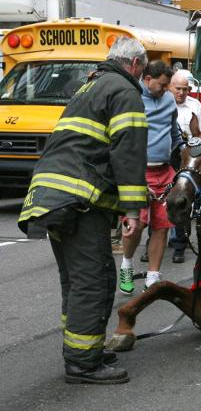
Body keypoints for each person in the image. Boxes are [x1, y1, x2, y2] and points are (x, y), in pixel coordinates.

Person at [17, 37, 149, 384]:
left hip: (52, 197)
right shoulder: (125, 91)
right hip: (80, 202)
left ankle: (83, 351)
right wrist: (133, 209)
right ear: (135, 64)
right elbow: (129, 152)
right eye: (144, 69)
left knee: (75, 281)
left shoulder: (87, 87)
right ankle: (83, 364)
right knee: (94, 280)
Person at [119, 60, 183, 294]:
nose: (167, 90)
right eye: (163, 85)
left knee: (162, 225)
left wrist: (185, 148)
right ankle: (126, 265)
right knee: (137, 224)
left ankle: (153, 277)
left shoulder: (168, 100)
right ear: (147, 79)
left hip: (164, 171)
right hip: (138, 172)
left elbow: (173, 131)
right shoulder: (132, 98)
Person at [166, 69, 201, 262]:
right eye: (178, 89)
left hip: (187, 159)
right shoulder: (163, 103)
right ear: (169, 87)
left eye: (185, 89)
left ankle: (179, 245)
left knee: (182, 198)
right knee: (160, 199)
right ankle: (153, 241)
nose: (181, 93)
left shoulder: (195, 106)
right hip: (166, 157)